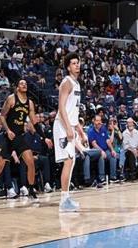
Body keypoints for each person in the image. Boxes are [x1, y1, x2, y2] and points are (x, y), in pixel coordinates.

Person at [0, 79, 43, 200]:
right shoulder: (11, 99)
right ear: (17, 87)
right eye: (21, 83)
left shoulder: (29, 103)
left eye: (25, 83)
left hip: (20, 137)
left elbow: (34, 122)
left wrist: (44, 137)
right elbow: (2, 116)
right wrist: (8, 130)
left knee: (30, 162)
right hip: (8, 137)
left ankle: (31, 189)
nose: (24, 85)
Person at [53, 52, 86, 212]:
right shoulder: (67, 82)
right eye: (73, 63)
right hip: (62, 125)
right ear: (68, 67)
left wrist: (80, 130)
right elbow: (61, 107)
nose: (77, 65)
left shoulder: (77, 84)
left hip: (69, 125)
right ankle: (64, 201)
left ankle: (65, 199)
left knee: (71, 161)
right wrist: (68, 128)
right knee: (68, 161)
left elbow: (74, 112)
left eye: (78, 62)